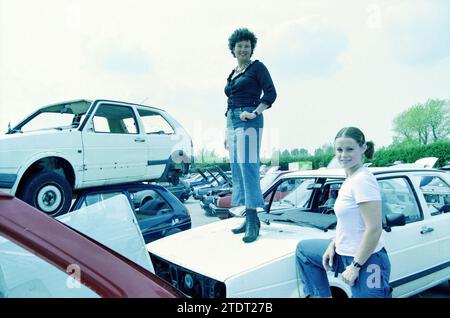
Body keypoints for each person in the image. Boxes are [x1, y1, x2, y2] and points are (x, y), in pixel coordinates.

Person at [295, 127, 392, 297]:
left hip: (368, 262)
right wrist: (333, 244)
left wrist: (355, 267)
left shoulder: (363, 180)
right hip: (343, 253)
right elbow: (346, 222)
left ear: (363, 149)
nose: (343, 155)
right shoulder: (350, 178)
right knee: (304, 251)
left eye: (350, 149)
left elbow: (374, 228)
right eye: (339, 150)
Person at [224, 28, 277, 243]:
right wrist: (227, 132)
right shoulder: (233, 72)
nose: (244, 49)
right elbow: (230, 102)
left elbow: (271, 92)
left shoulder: (257, 67)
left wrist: (255, 112)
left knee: (248, 166)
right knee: (237, 167)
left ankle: (254, 219)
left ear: (251, 48)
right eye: (240, 46)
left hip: (249, 118)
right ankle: (247, 217)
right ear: (233, 49)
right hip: (232, 120)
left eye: (247, 46)